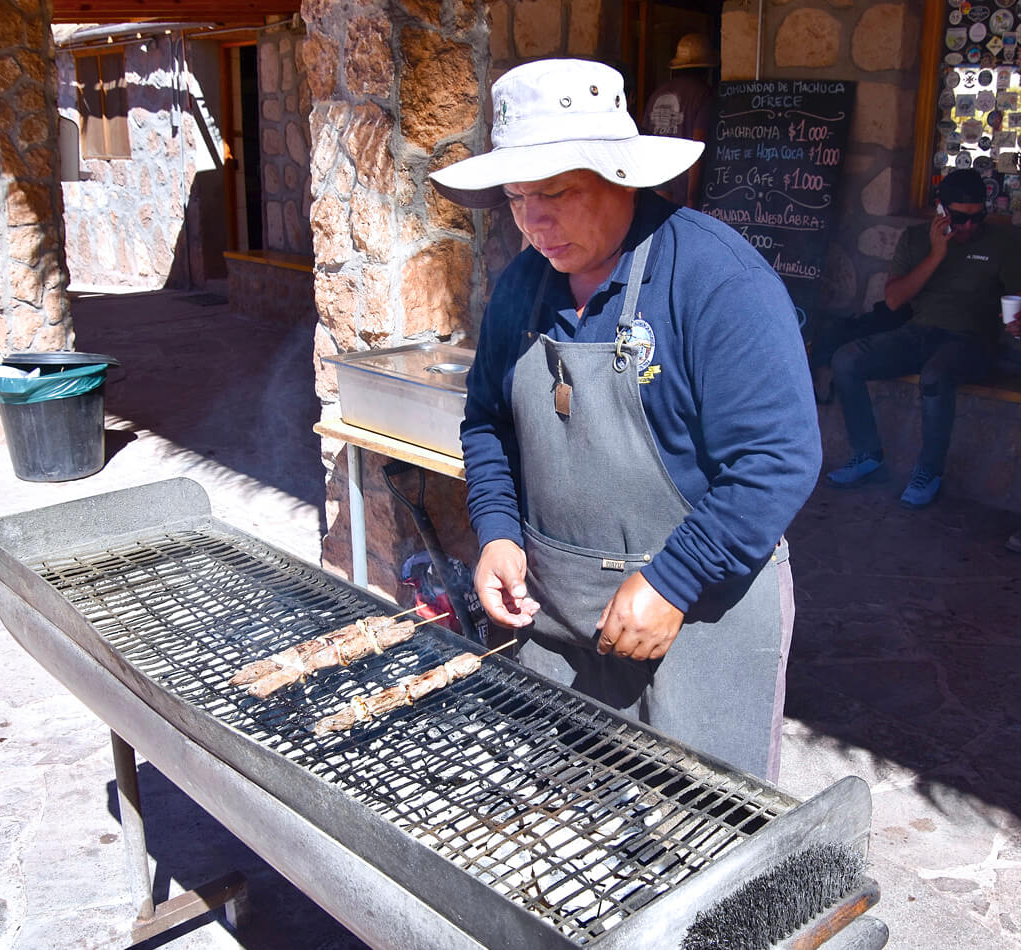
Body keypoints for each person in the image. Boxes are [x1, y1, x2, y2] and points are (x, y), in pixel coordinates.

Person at [429, 59, 821, 782]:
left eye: (556, 192)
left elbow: (777, 459)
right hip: (551, 616)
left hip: (699, 616)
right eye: (516, 198)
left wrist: (673, 581)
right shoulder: (521, 287)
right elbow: (486, 422)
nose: (534, 220)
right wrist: (497, 533)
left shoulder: (717, 281)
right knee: (562, 821)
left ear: (623, 176)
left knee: (702, 844)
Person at [825, 169, 1021, 508]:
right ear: (941, 210)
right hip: (919, 331)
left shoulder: (1001, 243)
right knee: (846, 360)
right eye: (960, 218)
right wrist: (936, 255)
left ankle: (928, 471)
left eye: (978, 218)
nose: (969, 227)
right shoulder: (916, 240)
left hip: (972, 339)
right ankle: (867, 454)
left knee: (936, 375)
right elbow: (894, 300)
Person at [640, 33, 717, 209]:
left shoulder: (657, 94)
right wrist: (692, 198)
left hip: (653, 190)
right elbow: (699, 145)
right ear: (706, 69)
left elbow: (643, 142)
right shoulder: (704, 94)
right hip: (682, 194)